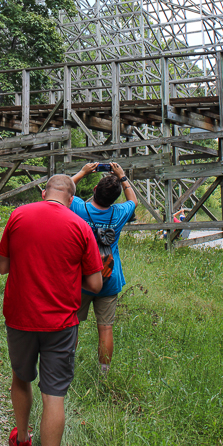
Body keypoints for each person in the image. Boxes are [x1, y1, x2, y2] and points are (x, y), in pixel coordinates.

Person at [0, 174, 103, 446]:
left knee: (21, 377)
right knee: (54, 396)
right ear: (72, 199)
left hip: (21, 315)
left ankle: (21, 441)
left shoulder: (18, 215)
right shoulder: (81, 226)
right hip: (61, 322)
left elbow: (2, 267)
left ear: (44, 193)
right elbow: (95, 285)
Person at [71, 161, 137, 375]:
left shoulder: (79, 207)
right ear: (115, 199)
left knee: (72, 323)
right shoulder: (119, 213)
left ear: (94, 191)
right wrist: (123, 176)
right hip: (109, 277)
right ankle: (104, 371)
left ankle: (67, 365)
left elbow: (63, 190)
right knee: (106, 327)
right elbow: (133, 201)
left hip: (82, 278)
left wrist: (82, 172)